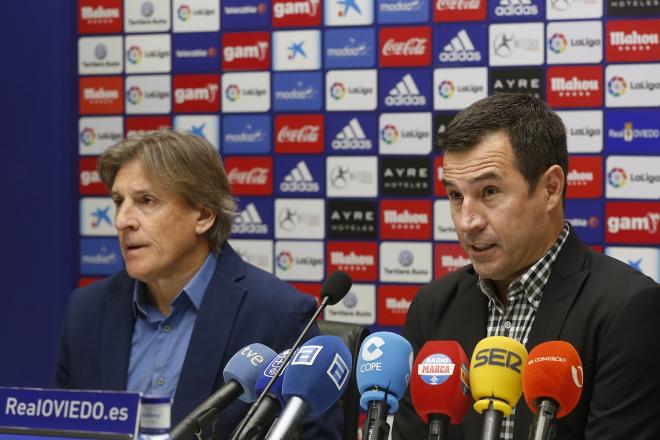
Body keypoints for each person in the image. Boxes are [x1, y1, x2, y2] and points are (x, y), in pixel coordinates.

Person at [392, 93, 660, 439]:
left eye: (489, 191)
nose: (466, 222)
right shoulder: (432, 308)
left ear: (551, 188)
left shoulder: (627, 309)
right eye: (456, 196)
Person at [55, 130, 342, 439]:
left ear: (203, 216)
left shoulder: (279, 316)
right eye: (118, 201)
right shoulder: (86, 310)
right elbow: (59, 432)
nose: (122, 220)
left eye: (146, 201)